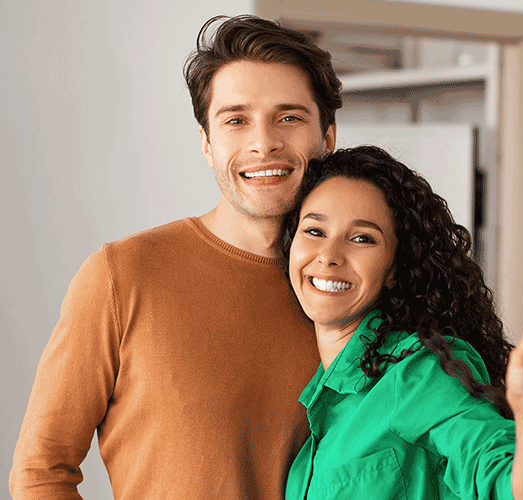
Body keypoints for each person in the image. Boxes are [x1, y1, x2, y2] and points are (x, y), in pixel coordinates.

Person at [10, 15, 342, 499]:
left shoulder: (354, 288)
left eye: (289, 117)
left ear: (327, 136)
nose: (263, 142)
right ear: (208, 143)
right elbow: (41, 469)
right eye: (236, 120)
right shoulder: (120, 277)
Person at [278, 145, 523, 500]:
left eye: (362, 238)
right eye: (315, 231)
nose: (330, 256)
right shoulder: (323, 399)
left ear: (394, 269)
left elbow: (521, 490)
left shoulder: (417, 371)